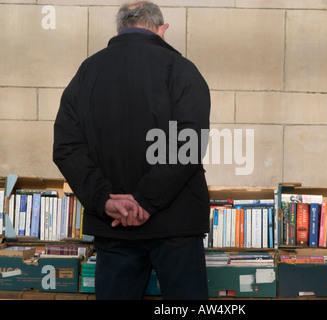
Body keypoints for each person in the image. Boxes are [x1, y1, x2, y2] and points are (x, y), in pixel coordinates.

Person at [53, 1, 211, 300]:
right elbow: (187, 144)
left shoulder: (86, 72)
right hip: (174, 224)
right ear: (161, 30)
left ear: (121, 28)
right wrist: (145, 202)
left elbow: (66, 147)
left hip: (113, 226)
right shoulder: (181, 70)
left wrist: (106, 199)